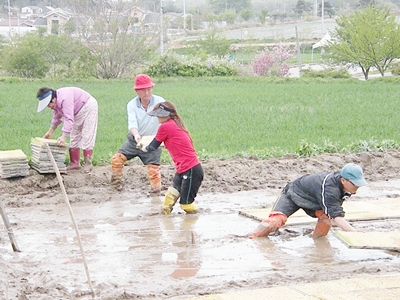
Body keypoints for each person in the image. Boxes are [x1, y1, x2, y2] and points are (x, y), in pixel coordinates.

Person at [249, 163, 368, 239]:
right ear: (343, 180)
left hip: (313, 200)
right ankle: (254, 238)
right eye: (355, 184)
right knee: (275, 221)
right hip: (293, 193)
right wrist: (354, 232)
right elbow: (336, 215)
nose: (357, 187)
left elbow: (333, 213)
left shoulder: (346, 187)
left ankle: (318, 240)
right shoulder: (330, 189)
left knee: (326, 217)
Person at [139, 102, 204, 215]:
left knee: (186, 204)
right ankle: (165, 216)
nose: (157, 117)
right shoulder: (175, 124)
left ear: (167, 115)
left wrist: (142, 147)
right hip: (184, 168)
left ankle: (195, 219)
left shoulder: (165, 127)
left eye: (159, 115)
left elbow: (152, 147)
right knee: (169, 198)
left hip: (191, 169)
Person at [110, 74, 165, 193]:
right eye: (143, 90)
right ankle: (116, 186)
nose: (147, 92)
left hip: (153, 141)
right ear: (137, 91)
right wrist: (136, 135)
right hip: (136, 140)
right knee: (116, 160)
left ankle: (155, 194)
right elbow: (132, 122)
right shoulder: (132, 104)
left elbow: (165, 122)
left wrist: (163, 138)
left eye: (149, 89)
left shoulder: (160, 102)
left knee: (153, 171)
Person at [36, 87, 98, 173]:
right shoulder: (55, 104)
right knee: (74, 135)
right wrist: (50, 131)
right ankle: (75, 163)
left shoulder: (65, 99)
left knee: (87, 134)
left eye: (47, 105)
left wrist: (63, 136)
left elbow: (69, 119)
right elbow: (56, 117)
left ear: (53, 100)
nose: (48, 107)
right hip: (76, 111)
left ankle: (88, 163)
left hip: (87, 106)